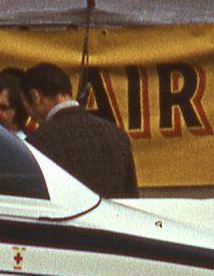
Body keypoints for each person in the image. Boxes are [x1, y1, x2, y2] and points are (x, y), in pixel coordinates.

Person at [20, 63, 139, 198]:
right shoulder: (117, 134)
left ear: (36, 96)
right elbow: (132, 198)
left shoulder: (39, 141)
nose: (31, 116)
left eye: (25, 104)